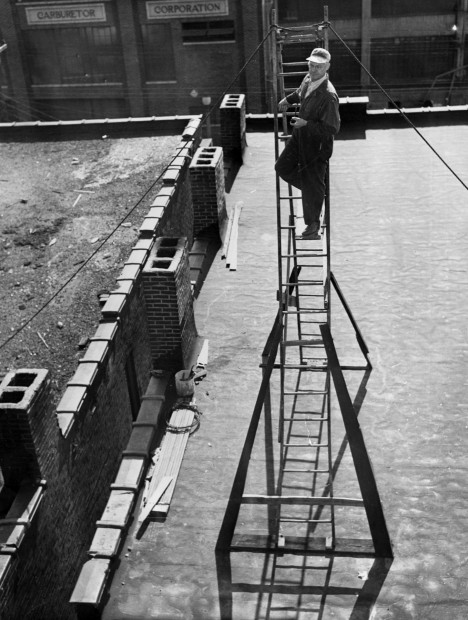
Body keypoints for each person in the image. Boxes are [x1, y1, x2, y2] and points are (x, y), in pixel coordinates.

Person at [275, 47, 340, 240]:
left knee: (312, 183)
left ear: (327, 67)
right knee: (282, 167)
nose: (313, 69)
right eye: (311, 65)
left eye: (318, 67)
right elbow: (301, 91)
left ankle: (312, 227)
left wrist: (306, 124)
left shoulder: (328, 96)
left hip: (317, 147)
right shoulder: (308, 78)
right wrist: (288, 99)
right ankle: (315, 190)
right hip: (300, 137)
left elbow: (332, 128)